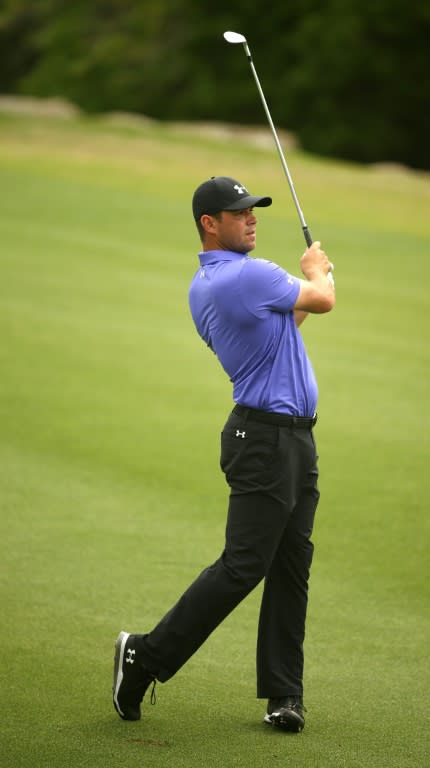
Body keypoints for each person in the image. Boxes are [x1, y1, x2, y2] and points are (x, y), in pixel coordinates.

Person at [112, 175, 335, 733]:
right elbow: (322, 302)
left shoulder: (211, 283)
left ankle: (285, 695)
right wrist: (318, 272)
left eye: (254, 210)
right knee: (244, 567)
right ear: (210, 224)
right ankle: (144, 655)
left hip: (288, 439)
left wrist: (306, 289)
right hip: (265, 441)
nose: (252, 218)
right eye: (240, 213)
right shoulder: (249, 276)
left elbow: (286, 326)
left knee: (290, 566)